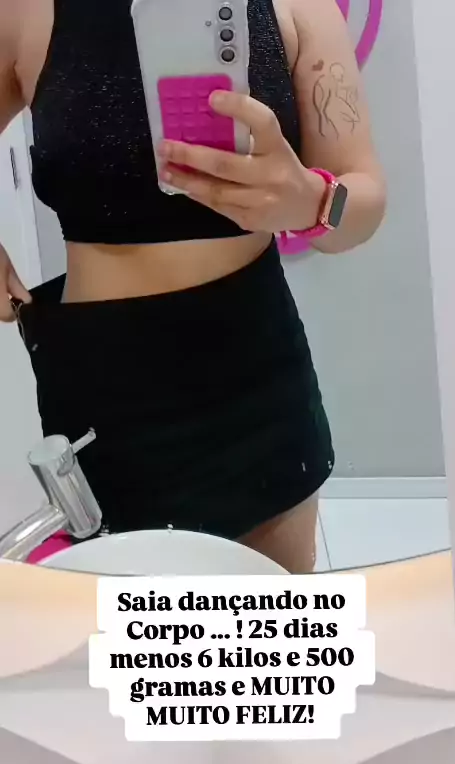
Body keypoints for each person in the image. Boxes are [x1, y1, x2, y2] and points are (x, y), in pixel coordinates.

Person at [0, 0, 386, 573]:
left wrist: (315, 200)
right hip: (103, 392)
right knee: (127, 623)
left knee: (269, 620)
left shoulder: (301, 8)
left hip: (257, 380)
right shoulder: (25, 10)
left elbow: (367, 196)